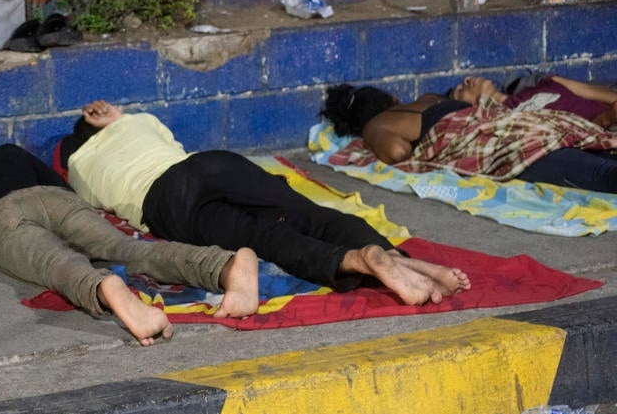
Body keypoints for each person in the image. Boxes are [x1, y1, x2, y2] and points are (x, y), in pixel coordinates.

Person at [61, 101, 469, 306]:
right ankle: (403, 259)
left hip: (167, 199)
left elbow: (97, 210)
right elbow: (150, 134)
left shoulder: (78, 168)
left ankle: (360, 262)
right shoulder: (139, 123)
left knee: (266, 238)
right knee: (308, 213)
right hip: (210, 164)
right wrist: (118, 118)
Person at [0, 144, 260, 345]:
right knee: (130, 248)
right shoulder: (9, 153)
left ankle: (104, 285)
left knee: (56, 264)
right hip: (57, 199)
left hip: (2, 215)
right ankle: (226, 265)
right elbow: (56, 182)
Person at [321, 83, 617, 193]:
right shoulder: (429, 97)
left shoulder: (375, 125)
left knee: (596, 172)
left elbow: (397, 153)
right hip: (513, 121)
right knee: (587, 147)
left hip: (487, 138)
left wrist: (373, 143)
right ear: (390, 97)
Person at [450, 73, 617, 129]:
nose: (466, 80)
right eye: (459, 91)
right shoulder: (505, 120)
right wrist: (607, 119)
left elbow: (589, 91)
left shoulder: (540, 83)